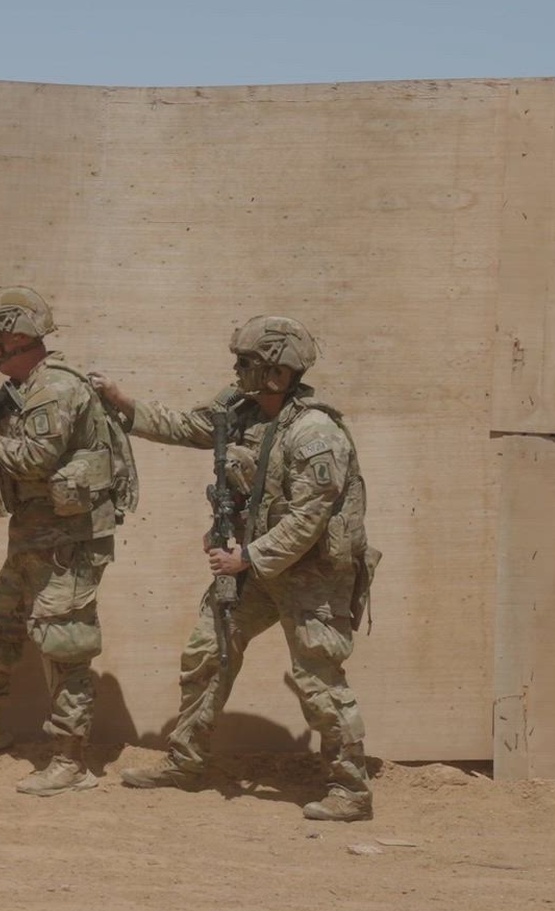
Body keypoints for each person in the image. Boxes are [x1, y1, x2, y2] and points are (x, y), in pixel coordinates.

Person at [90, 315, 378, 822]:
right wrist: (122, 401)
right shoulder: (240, 413)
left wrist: (245, 557)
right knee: (207, 653)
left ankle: (350, 789)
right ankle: (186, 760)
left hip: (311, 577)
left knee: (318, 679)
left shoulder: (315, 434)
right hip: (254, 568)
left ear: (277, 374)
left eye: (247, 363)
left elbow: (308, 520)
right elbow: (187, 426)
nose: (236, 370)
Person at [0, 286, 135, 796]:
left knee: (64, 645)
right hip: (34, 538)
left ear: (14, 335)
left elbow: (36, 457)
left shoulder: (54, 388)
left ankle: (70, 762)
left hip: (71, 544)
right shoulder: (19, 392)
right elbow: (8, 476)